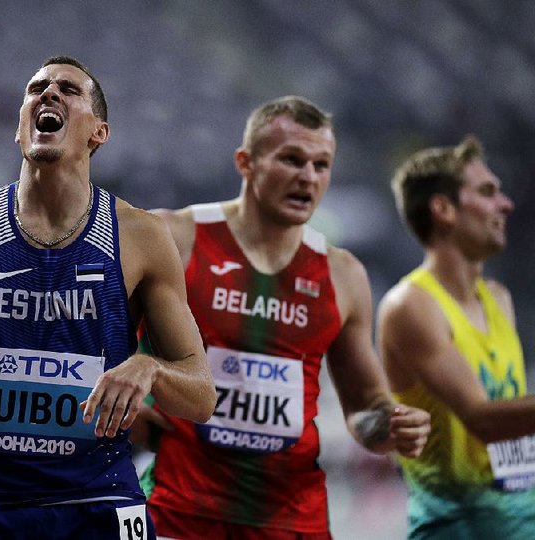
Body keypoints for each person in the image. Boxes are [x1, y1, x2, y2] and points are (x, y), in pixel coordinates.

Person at [0, 55, 216, 540]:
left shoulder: (141, 236)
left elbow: (201, 394)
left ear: (98, 132)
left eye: (68, 89)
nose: (48, 94)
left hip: (100, 503)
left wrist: (152, 368)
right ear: (20, 129)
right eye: (36, 88)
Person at [132, 96, 431, 539]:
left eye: (321, 164)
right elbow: (89, 346)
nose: (307, 177)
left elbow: (366, 407)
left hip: (291, 524)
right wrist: (142, 423)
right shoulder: (174, 239)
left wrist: (392, 426)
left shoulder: (342, 275)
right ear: (246, 162)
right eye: (291, 159)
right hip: (176, 515)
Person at [377, 135, 535, 539]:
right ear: (444, 209)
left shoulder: (498, 299)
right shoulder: (411, 305)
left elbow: (512, 426)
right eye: (487, 192)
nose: (506, 204)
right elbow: (482, 419)